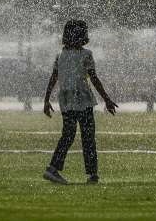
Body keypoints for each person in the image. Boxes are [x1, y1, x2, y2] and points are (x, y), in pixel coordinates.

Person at [41, 19, 117, 185]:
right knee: (88, 136)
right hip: (83, 100)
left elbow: (53, 78)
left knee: (68, 135)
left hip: (67, 101)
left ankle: (53, 168)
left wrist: (46, 100)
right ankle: (92, 174)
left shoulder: (60, 55)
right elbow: (94, 79)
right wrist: (107, 99)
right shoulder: (85, 54)